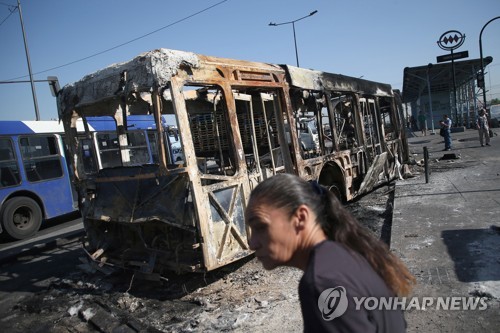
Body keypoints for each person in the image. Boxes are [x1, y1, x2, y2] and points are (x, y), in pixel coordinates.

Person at [245, 174, 415, 332]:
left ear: (301, 218)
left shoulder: (321, 283)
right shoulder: (345, 254)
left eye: (260, 227)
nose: (252, 244)